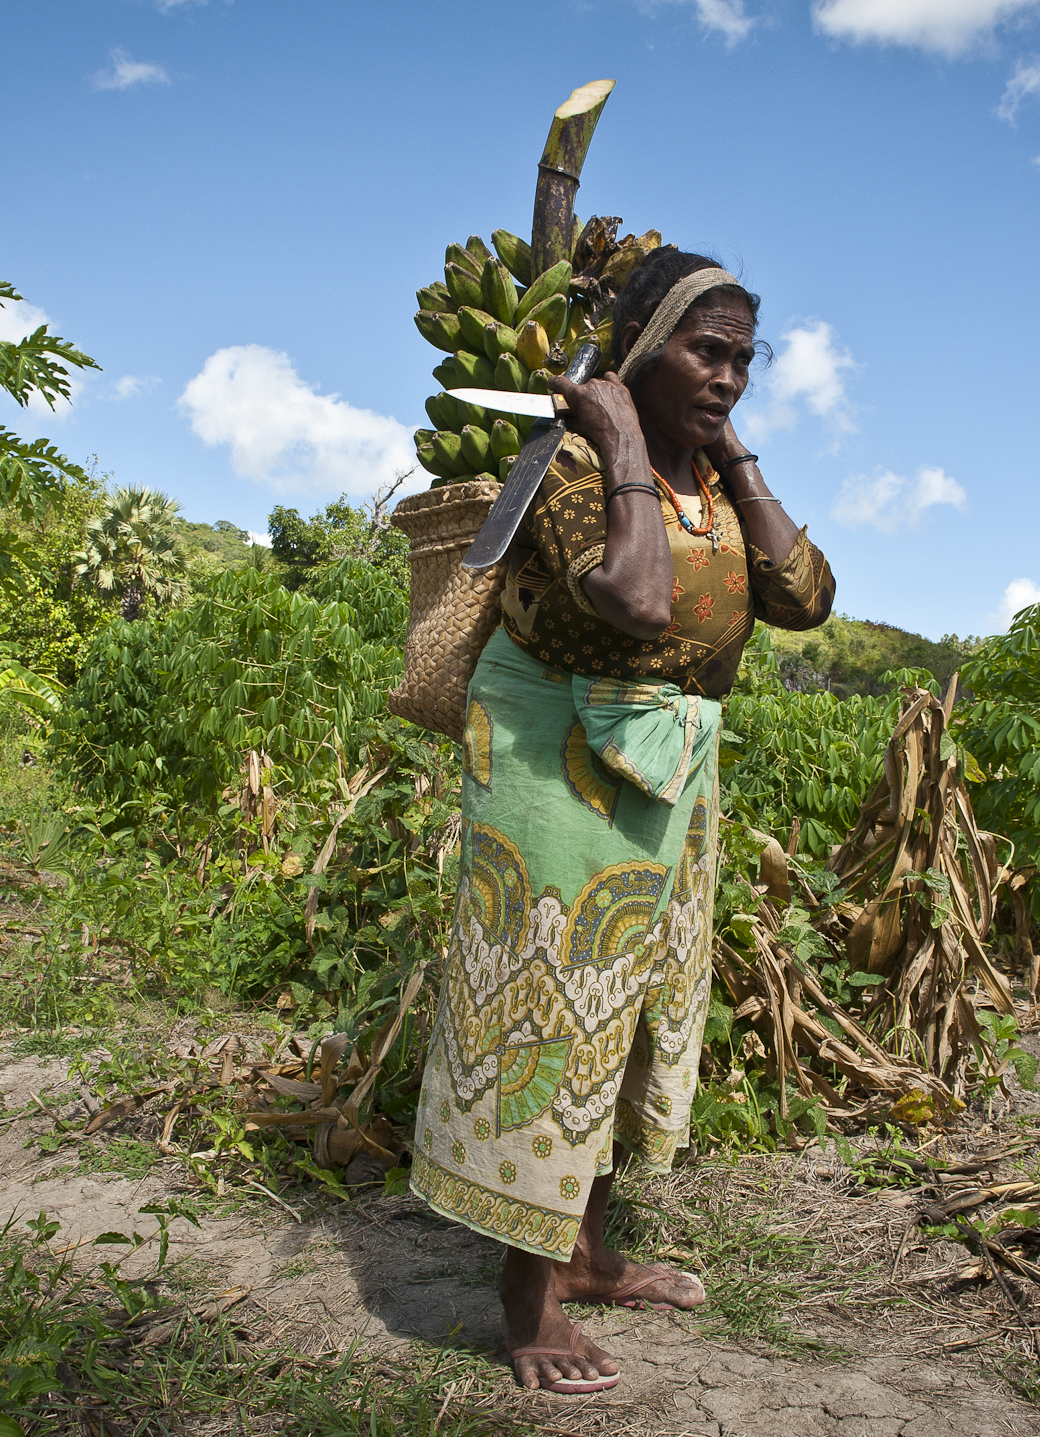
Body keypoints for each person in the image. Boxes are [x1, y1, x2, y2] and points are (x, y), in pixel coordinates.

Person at [407, 247, 837, 1393]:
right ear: (643, 347)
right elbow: (638, 599)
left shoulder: (710, 480)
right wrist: (624, 445)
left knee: (632, 1007)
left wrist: (731, 456)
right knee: (552, 1005)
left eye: (745, 359)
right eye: (709, 351)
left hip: (668, 768)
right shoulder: (568, 464)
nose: (731, 376)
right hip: (551, 759)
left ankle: (589, 1257)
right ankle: (527, 1299)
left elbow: (804, 597)